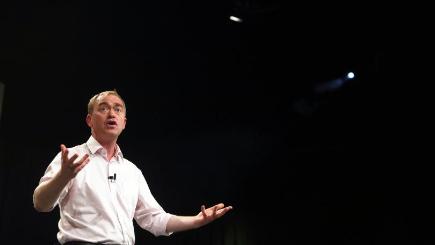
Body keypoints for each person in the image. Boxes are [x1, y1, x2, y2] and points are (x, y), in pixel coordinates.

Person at [33, 90, 232, 245]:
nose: (111, 113)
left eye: (118, 109)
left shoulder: (132, 171)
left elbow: (155, 219)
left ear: (124, 122)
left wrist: (197, 220)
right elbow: (41, 204)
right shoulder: (70, 158)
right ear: (89, 120)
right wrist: (63, 176)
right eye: (103, 108)